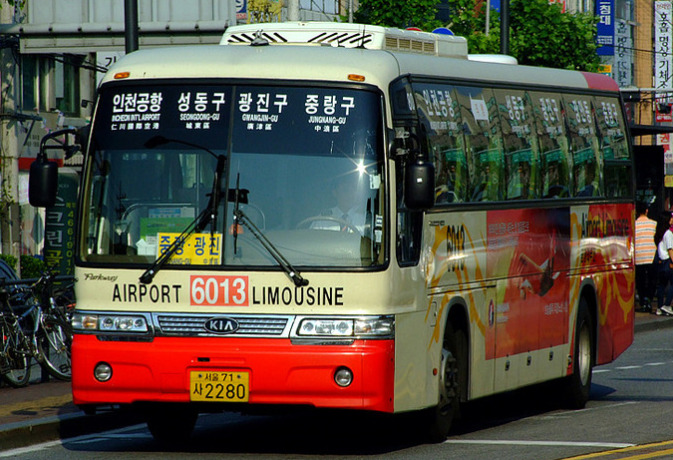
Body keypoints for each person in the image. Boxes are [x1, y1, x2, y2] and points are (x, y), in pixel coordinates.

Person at [635, 201, 657, 312]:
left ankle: (643, 301)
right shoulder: (654, 224)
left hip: (639, 258)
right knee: (652, 281)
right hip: (651, 257)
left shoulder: (634, 225)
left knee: (641, 282)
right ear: (647, 211)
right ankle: (649, 300)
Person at [655, 213, 673, 316]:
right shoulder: (668, 234)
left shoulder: (659, 234)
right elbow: (670, 250)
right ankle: (667, 305)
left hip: (660, 262)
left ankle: (659, 306)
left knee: (661, 285)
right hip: (667, 262)